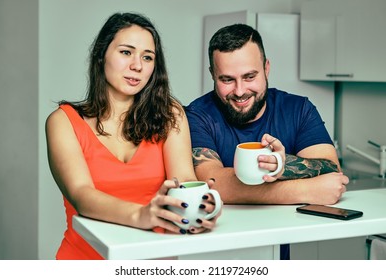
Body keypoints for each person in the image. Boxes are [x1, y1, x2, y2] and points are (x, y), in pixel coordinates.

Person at [45, 12, 220, 260]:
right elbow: (82, 195)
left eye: (147, 57)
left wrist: (199, 206)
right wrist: (141, 215)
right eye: (126, 52)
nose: (137, 65)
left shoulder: (170, 114)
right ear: (101, 55)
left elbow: (184, 182)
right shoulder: (63, 122)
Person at [185, 23, 349, 259]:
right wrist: (306, 189)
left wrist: (283, 165)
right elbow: (212, 183)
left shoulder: (299, 109)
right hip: (215, 252)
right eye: (227, 79)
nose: (240, 91)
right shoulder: (197, 115)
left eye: (250, 76)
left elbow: (332, 172)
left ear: (266, 68)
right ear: (212, 74)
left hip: (278, 250)